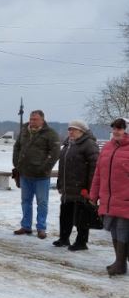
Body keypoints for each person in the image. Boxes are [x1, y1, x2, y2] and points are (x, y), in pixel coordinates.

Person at [12, 110, 61, 239]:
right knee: (26, 201)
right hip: (25, 174)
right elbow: (17, 147)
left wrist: (45, 168)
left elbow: (55, 153)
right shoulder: (24, 131)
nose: (32, 121)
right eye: (31, 118)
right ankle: (26, 226)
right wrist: (16, 163)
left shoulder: (50, 134)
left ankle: (41, 228)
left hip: (41, 176)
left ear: (42, 120)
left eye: (35, 119)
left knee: (42, 203)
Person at [90, 118, 129, 276]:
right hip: (108, 199)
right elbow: (98, 174)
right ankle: (119, 261)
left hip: (125, 199)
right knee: (114, 229)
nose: (116, 131)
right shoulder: (107, 147)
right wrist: (94, 194)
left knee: (122, 230)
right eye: (114, 129)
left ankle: (120, 264)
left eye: (120, 128)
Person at [55, 120, 98, 251]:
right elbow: (62, 165)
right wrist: (60, 182)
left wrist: (89, 188)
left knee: (82, 216)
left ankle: (81, 242)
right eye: (69, 129)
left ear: (82, 131)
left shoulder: (89, 144)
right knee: (65, 214)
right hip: (67, 187)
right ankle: (64, 238)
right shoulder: (68, 144)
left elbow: (95, 168)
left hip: (81, 188)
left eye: (74, 129)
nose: (71, 132)